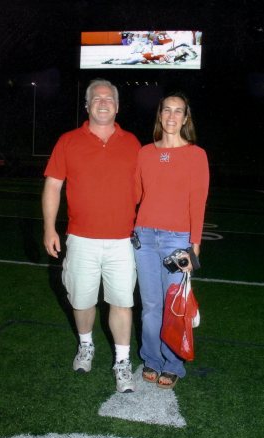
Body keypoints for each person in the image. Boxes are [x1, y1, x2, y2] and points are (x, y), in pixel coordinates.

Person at [42, 79, 141, 393]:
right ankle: (86, 346)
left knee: (122, 302)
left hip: (123, 241)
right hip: (81, 238)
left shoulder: (133, 143)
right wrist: (48, 228)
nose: (103, 102)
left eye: (109, 98)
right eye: (96, 98)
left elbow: (147, 191)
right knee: (82, 301)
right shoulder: (68, 141)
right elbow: (53, 186)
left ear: (117, 105)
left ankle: (122, 361)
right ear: (87, 106)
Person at [134, 92, 209, 389]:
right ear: (160, 115)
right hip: (145, 237)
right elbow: (136, 195)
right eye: (167, 110)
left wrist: (195, 246)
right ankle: (151, 359)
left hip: (177, 241)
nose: (172, 116)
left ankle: (173, 363)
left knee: (174, 306)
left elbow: (198, 202)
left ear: (185, 118)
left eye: (179, 111)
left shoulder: (196, 154)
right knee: (151, 306)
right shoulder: (144, 153)